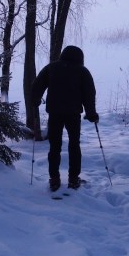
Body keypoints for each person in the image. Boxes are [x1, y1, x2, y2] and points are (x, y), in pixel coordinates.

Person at [32, 45, 99, 192]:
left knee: (54, 146)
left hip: (54, 112)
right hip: (73, 114)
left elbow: (37, 86)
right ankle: (73, 179)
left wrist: (35, 100)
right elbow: (89, 94)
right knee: (74, 145)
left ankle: (54, 179)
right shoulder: (82, 71)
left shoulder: (51, 68)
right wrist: (91, 113)